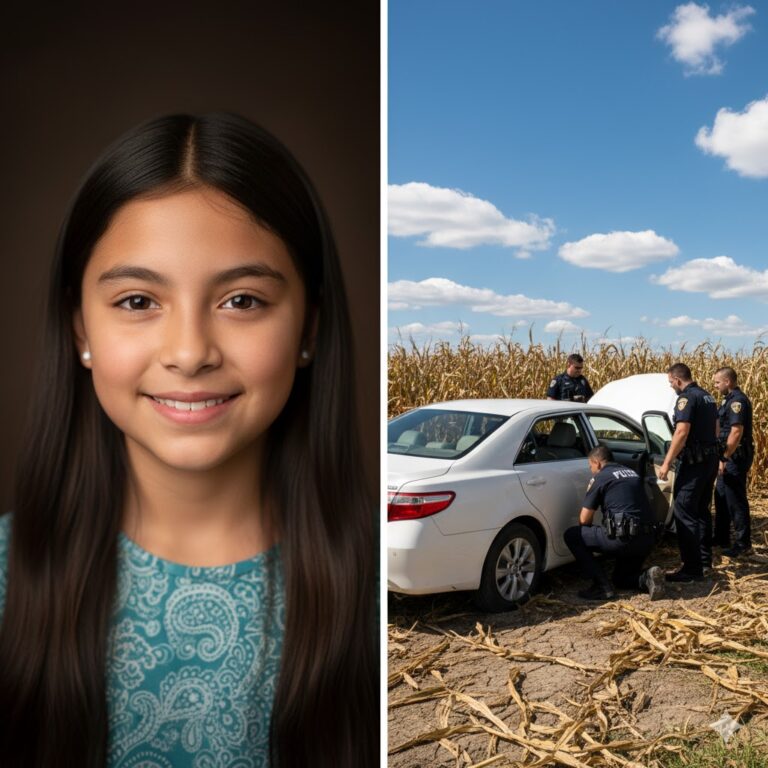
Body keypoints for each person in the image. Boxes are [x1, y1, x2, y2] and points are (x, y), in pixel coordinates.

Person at [0, 114, 376, 768]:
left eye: (242, 301)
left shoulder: (380, 587)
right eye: (139, 301)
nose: (189, 352)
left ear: (309, 328)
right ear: (79, 328)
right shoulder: (7, 582)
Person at [564, 445, 664, 601]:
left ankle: (602, 588)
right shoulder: (632, 473)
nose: (591, 470)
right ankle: (647, 577)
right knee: (621, 579)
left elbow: (584, 519)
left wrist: (590, 545)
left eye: (590, 466)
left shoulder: (601, 476)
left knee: (573, 535)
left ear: (596, 463)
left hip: (623, 539)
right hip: (647, 539)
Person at [658, 362, 719, 583]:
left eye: (670, 382)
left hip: (694, 463)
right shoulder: (707, 396)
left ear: (677, 379)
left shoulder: (686, 398)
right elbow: (716, 428)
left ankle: (691, 569)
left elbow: (681, 432)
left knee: (684, 510)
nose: (671, 386)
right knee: (702, 509)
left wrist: (666, 463)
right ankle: (703, 561)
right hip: (709, 459)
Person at [713, 367, 754, 557]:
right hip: (728, 457)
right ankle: (721, 538)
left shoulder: (737, 401)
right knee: (721, 495)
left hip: (734, 457)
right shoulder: (727, 400)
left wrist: (724, 457)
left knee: (735, 500)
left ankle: (743, 543)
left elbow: (736, 432)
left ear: (728, 382)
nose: (716, 386)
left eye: (717, 382)